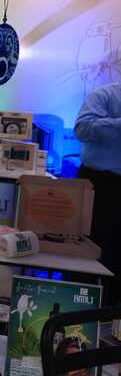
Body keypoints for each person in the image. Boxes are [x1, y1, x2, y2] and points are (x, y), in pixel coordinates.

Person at [74, 81, 121, 304]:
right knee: (87, 251)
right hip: (100, 184)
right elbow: (82, 128)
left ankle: (113, 316)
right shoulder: (105, 95)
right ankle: (77, 313)